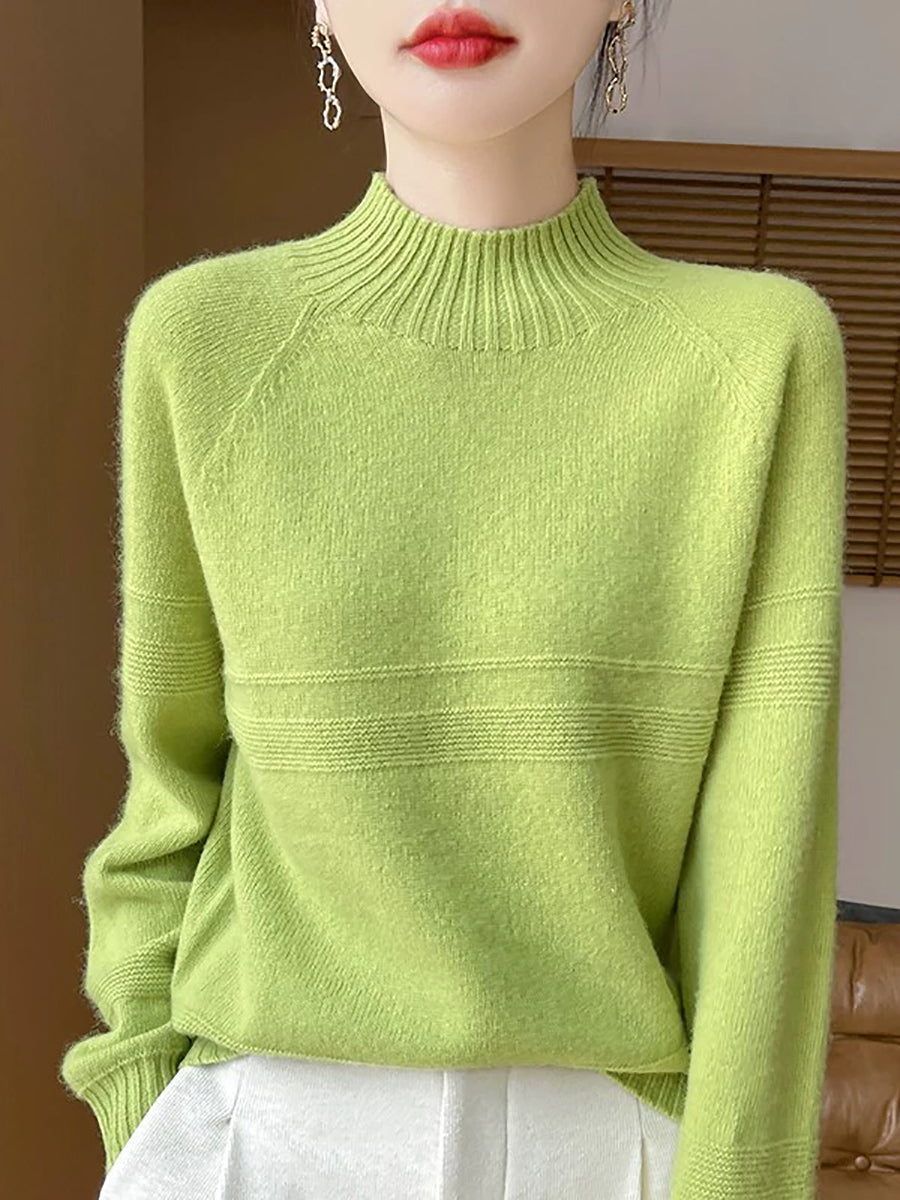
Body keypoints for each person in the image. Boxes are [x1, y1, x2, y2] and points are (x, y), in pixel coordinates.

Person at [58, 1, 848, 1197]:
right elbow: (167, 788)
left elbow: (764, 875)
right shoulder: (206, 340)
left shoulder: (758, 357)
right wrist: (142, 1110)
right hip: (251, 1133)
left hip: (607, 1147)